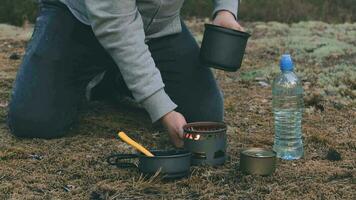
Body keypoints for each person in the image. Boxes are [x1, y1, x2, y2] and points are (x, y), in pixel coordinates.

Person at [7, 0, 244, 147]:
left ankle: (120, 80)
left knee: (204, 117)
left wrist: (225, 10)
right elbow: (118, 28)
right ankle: (92, 74)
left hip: (159, 28)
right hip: (79, 20)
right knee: (35, 120)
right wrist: (162, 108)